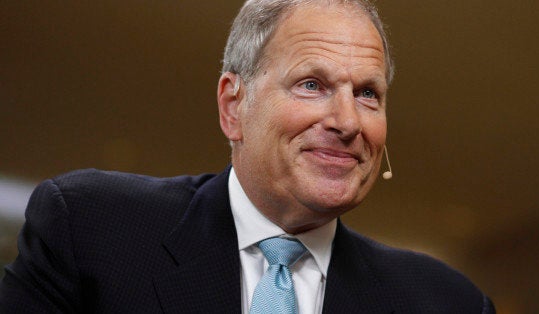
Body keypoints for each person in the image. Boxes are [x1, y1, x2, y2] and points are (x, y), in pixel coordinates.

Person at [0, 0, 495, 313]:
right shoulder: (90, 230)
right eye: (311, 84)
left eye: (368, 93)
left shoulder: (447, 302)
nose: (348, 122)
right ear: (234, 106)